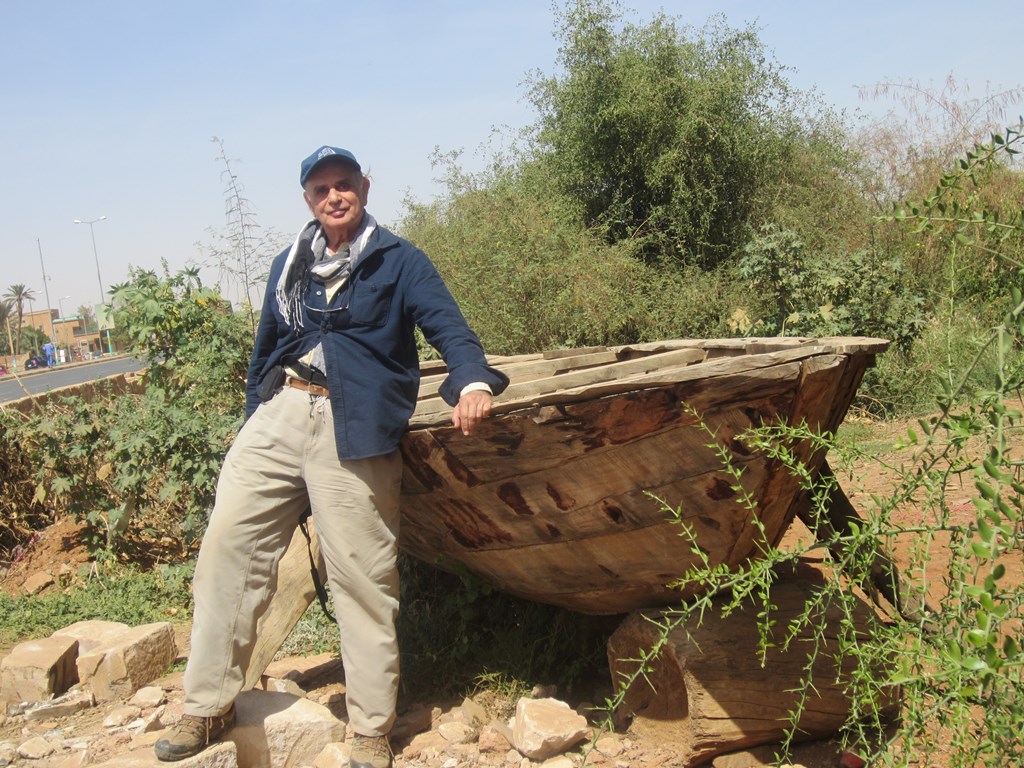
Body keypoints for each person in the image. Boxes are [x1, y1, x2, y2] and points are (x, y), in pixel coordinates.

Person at [154, 145, 509, 768]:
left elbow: (450, 330)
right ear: (308, 200)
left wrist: (472, 382)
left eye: (344, 185)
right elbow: (266, 348)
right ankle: (207, 704)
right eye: (321, 189)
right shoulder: (288, 266)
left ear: (364, 188)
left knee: (363, 580)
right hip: (281, 413)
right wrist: (252, 422)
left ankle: (370, 727)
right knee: (227, 556)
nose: (333, 197)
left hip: (357, 427)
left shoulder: (400, 262)